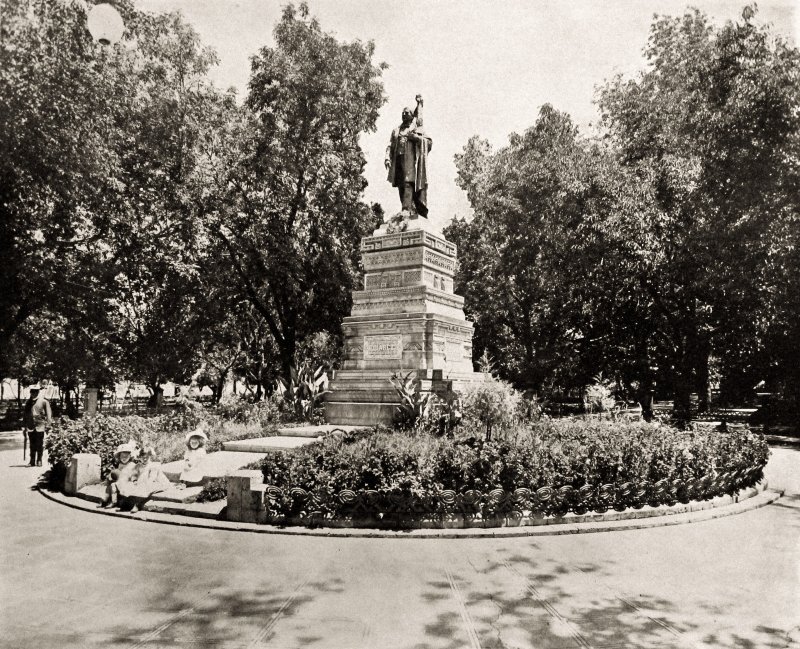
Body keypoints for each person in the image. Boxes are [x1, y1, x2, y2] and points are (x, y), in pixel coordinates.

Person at [385, 94, 432, 217]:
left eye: (407, 113)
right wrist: (387, 158)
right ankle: (407, 208)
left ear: (412, 115)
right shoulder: (396, 130)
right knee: (401, 184)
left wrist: (416, 138)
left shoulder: (415, 129)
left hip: (411, 160)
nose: (404, 114)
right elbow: (390, 145)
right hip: (398, 160)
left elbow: (428, 142)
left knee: (408, 183)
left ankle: (406, 209)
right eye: (403, 113)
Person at [117, 447, 171, 513]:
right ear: (140, 457)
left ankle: (137, 505)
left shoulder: (153, 466)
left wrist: (141, 484)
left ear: (150, 457)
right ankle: (127, 503)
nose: (145, 459)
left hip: (158, 482)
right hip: (144, 481)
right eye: (143, 457)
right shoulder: (138, 466)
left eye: (147, 457)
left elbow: (152, 478)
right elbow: (134, 475)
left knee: (145, 488)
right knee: (130, 486)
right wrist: (135, 481)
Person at [99, 440, 139, 508]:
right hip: (120, 481)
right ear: (119, 457)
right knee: (112, 485)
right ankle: (109, 501)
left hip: (128, 482)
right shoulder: (120, 465)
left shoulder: (132, 465)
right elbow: (118, 474)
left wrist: (133, 480)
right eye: (122, 456)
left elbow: (134, 474)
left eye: (126, 456)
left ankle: (115, 502)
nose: (124, 458)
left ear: (130, 456)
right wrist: (112, 477)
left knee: (116, 486)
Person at [29, 384, 52, 467]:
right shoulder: (28, 402)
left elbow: (49, 414)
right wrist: (24, 426)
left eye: (35, 392)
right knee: (32, 444)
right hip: (31, 426)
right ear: (30, 392)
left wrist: (48, 425)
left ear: (38, 392)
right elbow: (25, 414)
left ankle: (39, 460)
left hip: (40, 425)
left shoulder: (44, 401)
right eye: (32, 391)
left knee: (39, 444)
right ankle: (32, 461)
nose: (33, 393)